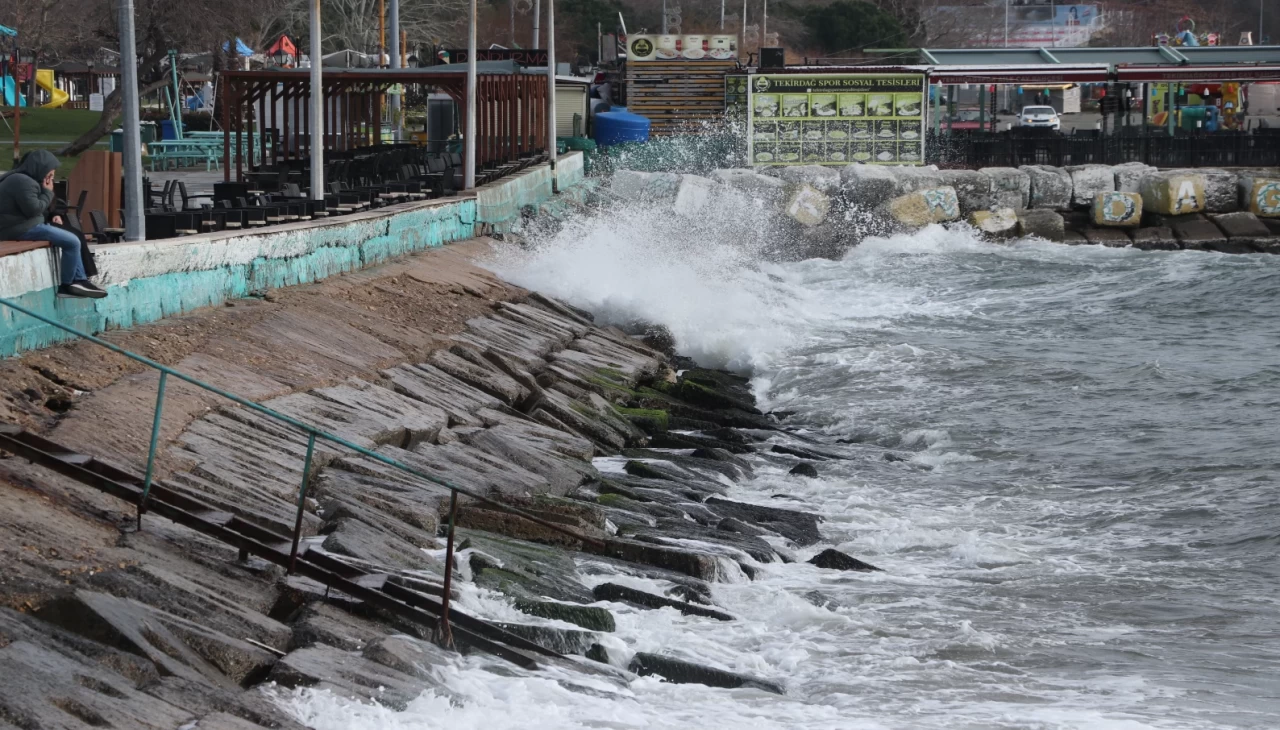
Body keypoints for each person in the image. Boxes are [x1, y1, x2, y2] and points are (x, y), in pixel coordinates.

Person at [0, 150, 105, 299]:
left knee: (74, 237)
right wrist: (48, 192)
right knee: (72, 241)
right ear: (40, 167)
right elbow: (33, 209)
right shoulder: (22, 181)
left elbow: (40, 208)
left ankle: (79, 280)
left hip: (25, 226)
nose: (51, 176)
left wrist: (53, 210)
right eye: (49, 172)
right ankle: (67, 285)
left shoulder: (25, 180)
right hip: (19, 229)